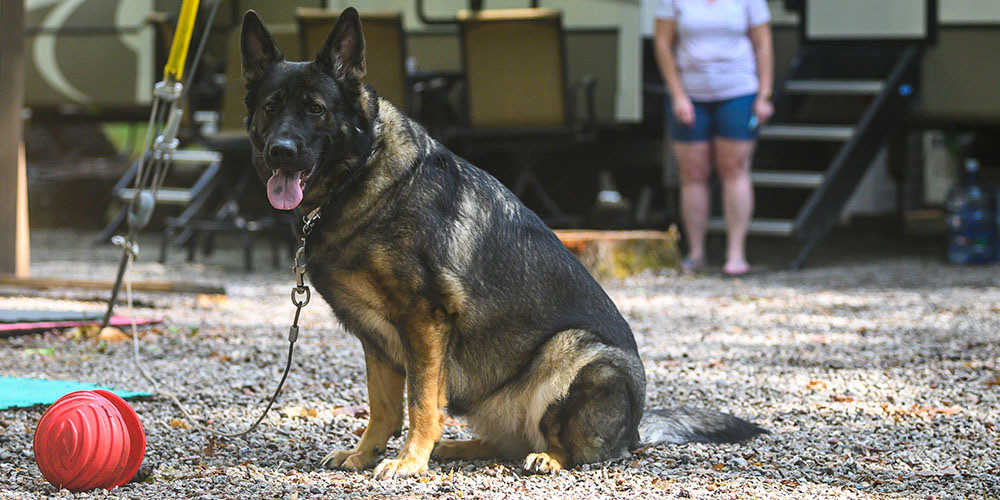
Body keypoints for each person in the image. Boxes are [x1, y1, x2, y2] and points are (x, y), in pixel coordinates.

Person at [653, 0, 774, 276]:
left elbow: (763, 43)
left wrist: (764, 94)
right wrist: (678, 95)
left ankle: (736, 253)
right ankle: (696, 252)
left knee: (735, 168)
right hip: (691, 93)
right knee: (692, 172)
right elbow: (663, 43)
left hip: (738, 89)